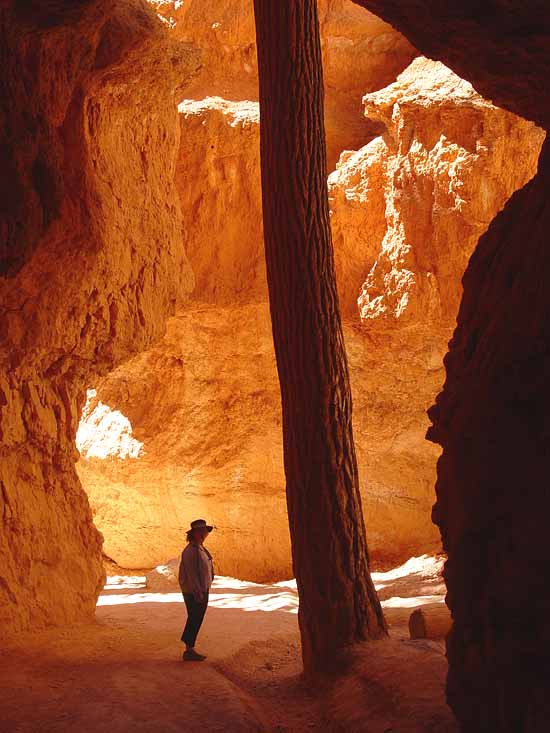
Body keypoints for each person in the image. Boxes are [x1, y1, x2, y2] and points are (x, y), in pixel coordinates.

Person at [178, 518, 215, 661]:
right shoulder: (191, 551)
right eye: (201, 531)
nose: (204, 533)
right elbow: (192, 573)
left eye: (204, 531)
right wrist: (198, 592)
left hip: (200, 589)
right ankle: (189, 649)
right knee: (195, 618)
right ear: (194, 533)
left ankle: (189, 647)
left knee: (196, 617)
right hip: (195, 591)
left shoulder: (199, 548)